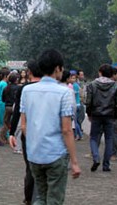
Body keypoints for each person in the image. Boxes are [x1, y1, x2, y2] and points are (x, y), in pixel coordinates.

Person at [20, 49, 81, 204]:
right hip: (55, 153)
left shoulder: (27, 91)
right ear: (57, 68)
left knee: (40, 196)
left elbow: (24, 125)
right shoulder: (64, 93)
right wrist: (74, 161)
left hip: (34, 154)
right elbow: (66, 129)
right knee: (54, 199)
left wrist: (33, 144)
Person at [9, 59, 43, 205]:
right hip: (45, 132)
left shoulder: (24, 89)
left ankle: (29, 197)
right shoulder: (51, 88)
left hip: (27, 131)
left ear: (29, 72)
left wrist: (11, 132)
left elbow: (17, 111)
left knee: (30, 167)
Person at [86, 64, 117, 172]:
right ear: (111, 74)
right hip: (110, 115)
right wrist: (116, 115)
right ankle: (106, 165)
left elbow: (89, 102)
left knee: (93, 137)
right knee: (109, 139)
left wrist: (89, 113)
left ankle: (96, 157)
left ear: (100, 72)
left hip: (96, 115)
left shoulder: (92, 85)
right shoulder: (116, 86)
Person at [0, 72, 20, 145]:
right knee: (16, 123)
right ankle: (16, 139)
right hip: (15, 107)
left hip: (7, 106)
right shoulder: (18, 88)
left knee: (5, 123)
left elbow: (3, 99)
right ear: (16, 80)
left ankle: (2, 139)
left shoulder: (6, 88)